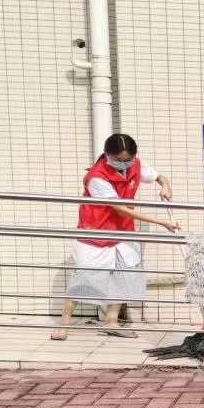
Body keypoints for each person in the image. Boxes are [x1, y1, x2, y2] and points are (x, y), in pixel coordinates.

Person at [52, 134, 179, 340]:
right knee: (84, 278)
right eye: (118, 160)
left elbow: (158, 176)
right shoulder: (96, 177)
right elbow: (120, 208)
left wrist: (165, 186)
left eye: (127, 159)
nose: (123, 164)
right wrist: (160, 222)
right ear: (107, 155)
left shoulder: (135, 165)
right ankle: (64, 324)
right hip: (95, 233)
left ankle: (111, 322)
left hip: (122, 232)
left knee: (122, 274)